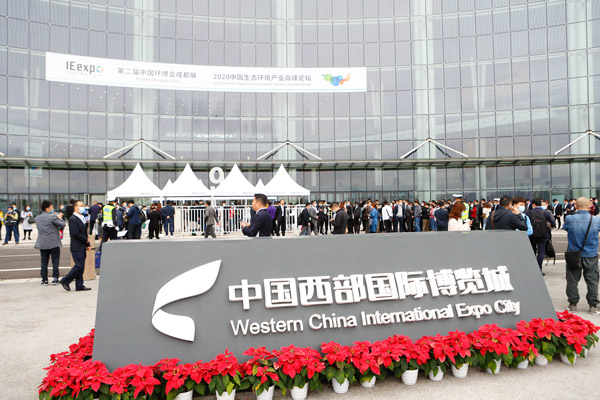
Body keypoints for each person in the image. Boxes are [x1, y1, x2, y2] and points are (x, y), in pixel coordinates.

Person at [564, 197, 600, 314]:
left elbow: (566, 229)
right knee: (592, 280)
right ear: (590, 206)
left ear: (575, 206)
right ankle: (593, 305)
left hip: (573, 254)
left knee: (572, 279)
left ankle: (573, 304)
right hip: (591, 254)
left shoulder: (569, 218)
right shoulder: (596, 220)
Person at [59, 200, 91, 292]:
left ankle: (79, 285)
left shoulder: (82, 218)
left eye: (83, 206)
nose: (83, 207)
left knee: (81, 266)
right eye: (81, 206)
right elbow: (75, 233)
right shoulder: (73, 219)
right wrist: (85, 240)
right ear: (76, 207)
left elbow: (84, 233)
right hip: (76, 246)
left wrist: (87, 244)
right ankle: (65, 280)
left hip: (82, 245)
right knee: (79, 266)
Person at [35, 201, 66, 285]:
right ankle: (55, 278)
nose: (52, 208)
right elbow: (63, 224)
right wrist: (59, 218)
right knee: (55, 261)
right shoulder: (52, 217)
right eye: (51, 207)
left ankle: (44, 279)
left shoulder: (37, 218)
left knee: (44, 262)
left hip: (42, 242)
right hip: (53, 242)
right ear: (47, 208)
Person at [525, 198, 556, 274]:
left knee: (532, 251)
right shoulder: (546, 212)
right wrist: (550, 226)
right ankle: (539, 270)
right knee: (541, 252)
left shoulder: (529, 212)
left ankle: (532, 269)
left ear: (533, 204)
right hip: (543, 234)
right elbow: (553, 222)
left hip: (532, 234)